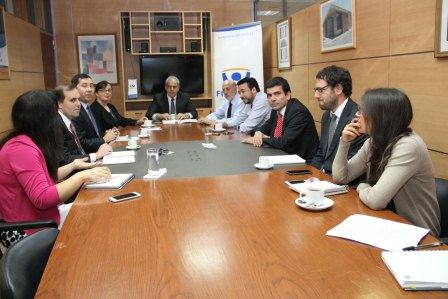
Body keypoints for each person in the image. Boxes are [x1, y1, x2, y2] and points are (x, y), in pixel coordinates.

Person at [0, 90, 111, 247]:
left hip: (41, 219)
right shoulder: (21, 150)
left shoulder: (24, 141)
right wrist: (81, 176)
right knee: (97, 225)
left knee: (99, 211)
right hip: (27, 229)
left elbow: (43, 177)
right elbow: (43, 198)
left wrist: (73, 165)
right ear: (43, 119)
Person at [332, 88, 441, 236]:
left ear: (380, 117)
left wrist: (362, 186)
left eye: (362, 111)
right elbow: (340, 177)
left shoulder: (408, 146)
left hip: (418, 233)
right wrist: (344, 142)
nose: (357, 115)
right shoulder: (373, 142)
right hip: (385, 221)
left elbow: (376, 200)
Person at [242, 77, 319, 161]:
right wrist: (258, 132)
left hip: (302, 161)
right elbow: (266, 126)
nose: (272, 99)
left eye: (277, 94)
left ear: (288, 95)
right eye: (269, 95)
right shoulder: (276, 109)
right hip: (282, 155)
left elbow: (283, 142)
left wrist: (257, 139)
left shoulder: (298, 111)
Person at [311, 65, 367, 173]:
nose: (316, 95)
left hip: (343, 182)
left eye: (320, 90)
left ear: (338, 89)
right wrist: (310, 175)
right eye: (316, 90)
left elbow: (351, 164)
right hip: (321, 179)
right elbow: (321, 153)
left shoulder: (358, 118)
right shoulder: (327, 115)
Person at [56, 85, 113, 165]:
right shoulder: (55, 125)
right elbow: (65, 159)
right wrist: (96, 155)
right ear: (59, 104)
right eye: (73, 100)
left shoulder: (69, 120)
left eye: (78, 100)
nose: (78, 104)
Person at [70, 74, 119, 142]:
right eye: (84, 86)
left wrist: (107, 134)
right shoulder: (74, 110)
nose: (89, 89)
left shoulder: (88, 108)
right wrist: (104, 139)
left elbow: (94, 134)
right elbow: (80, 143)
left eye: (91, 86)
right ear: (74, 89)